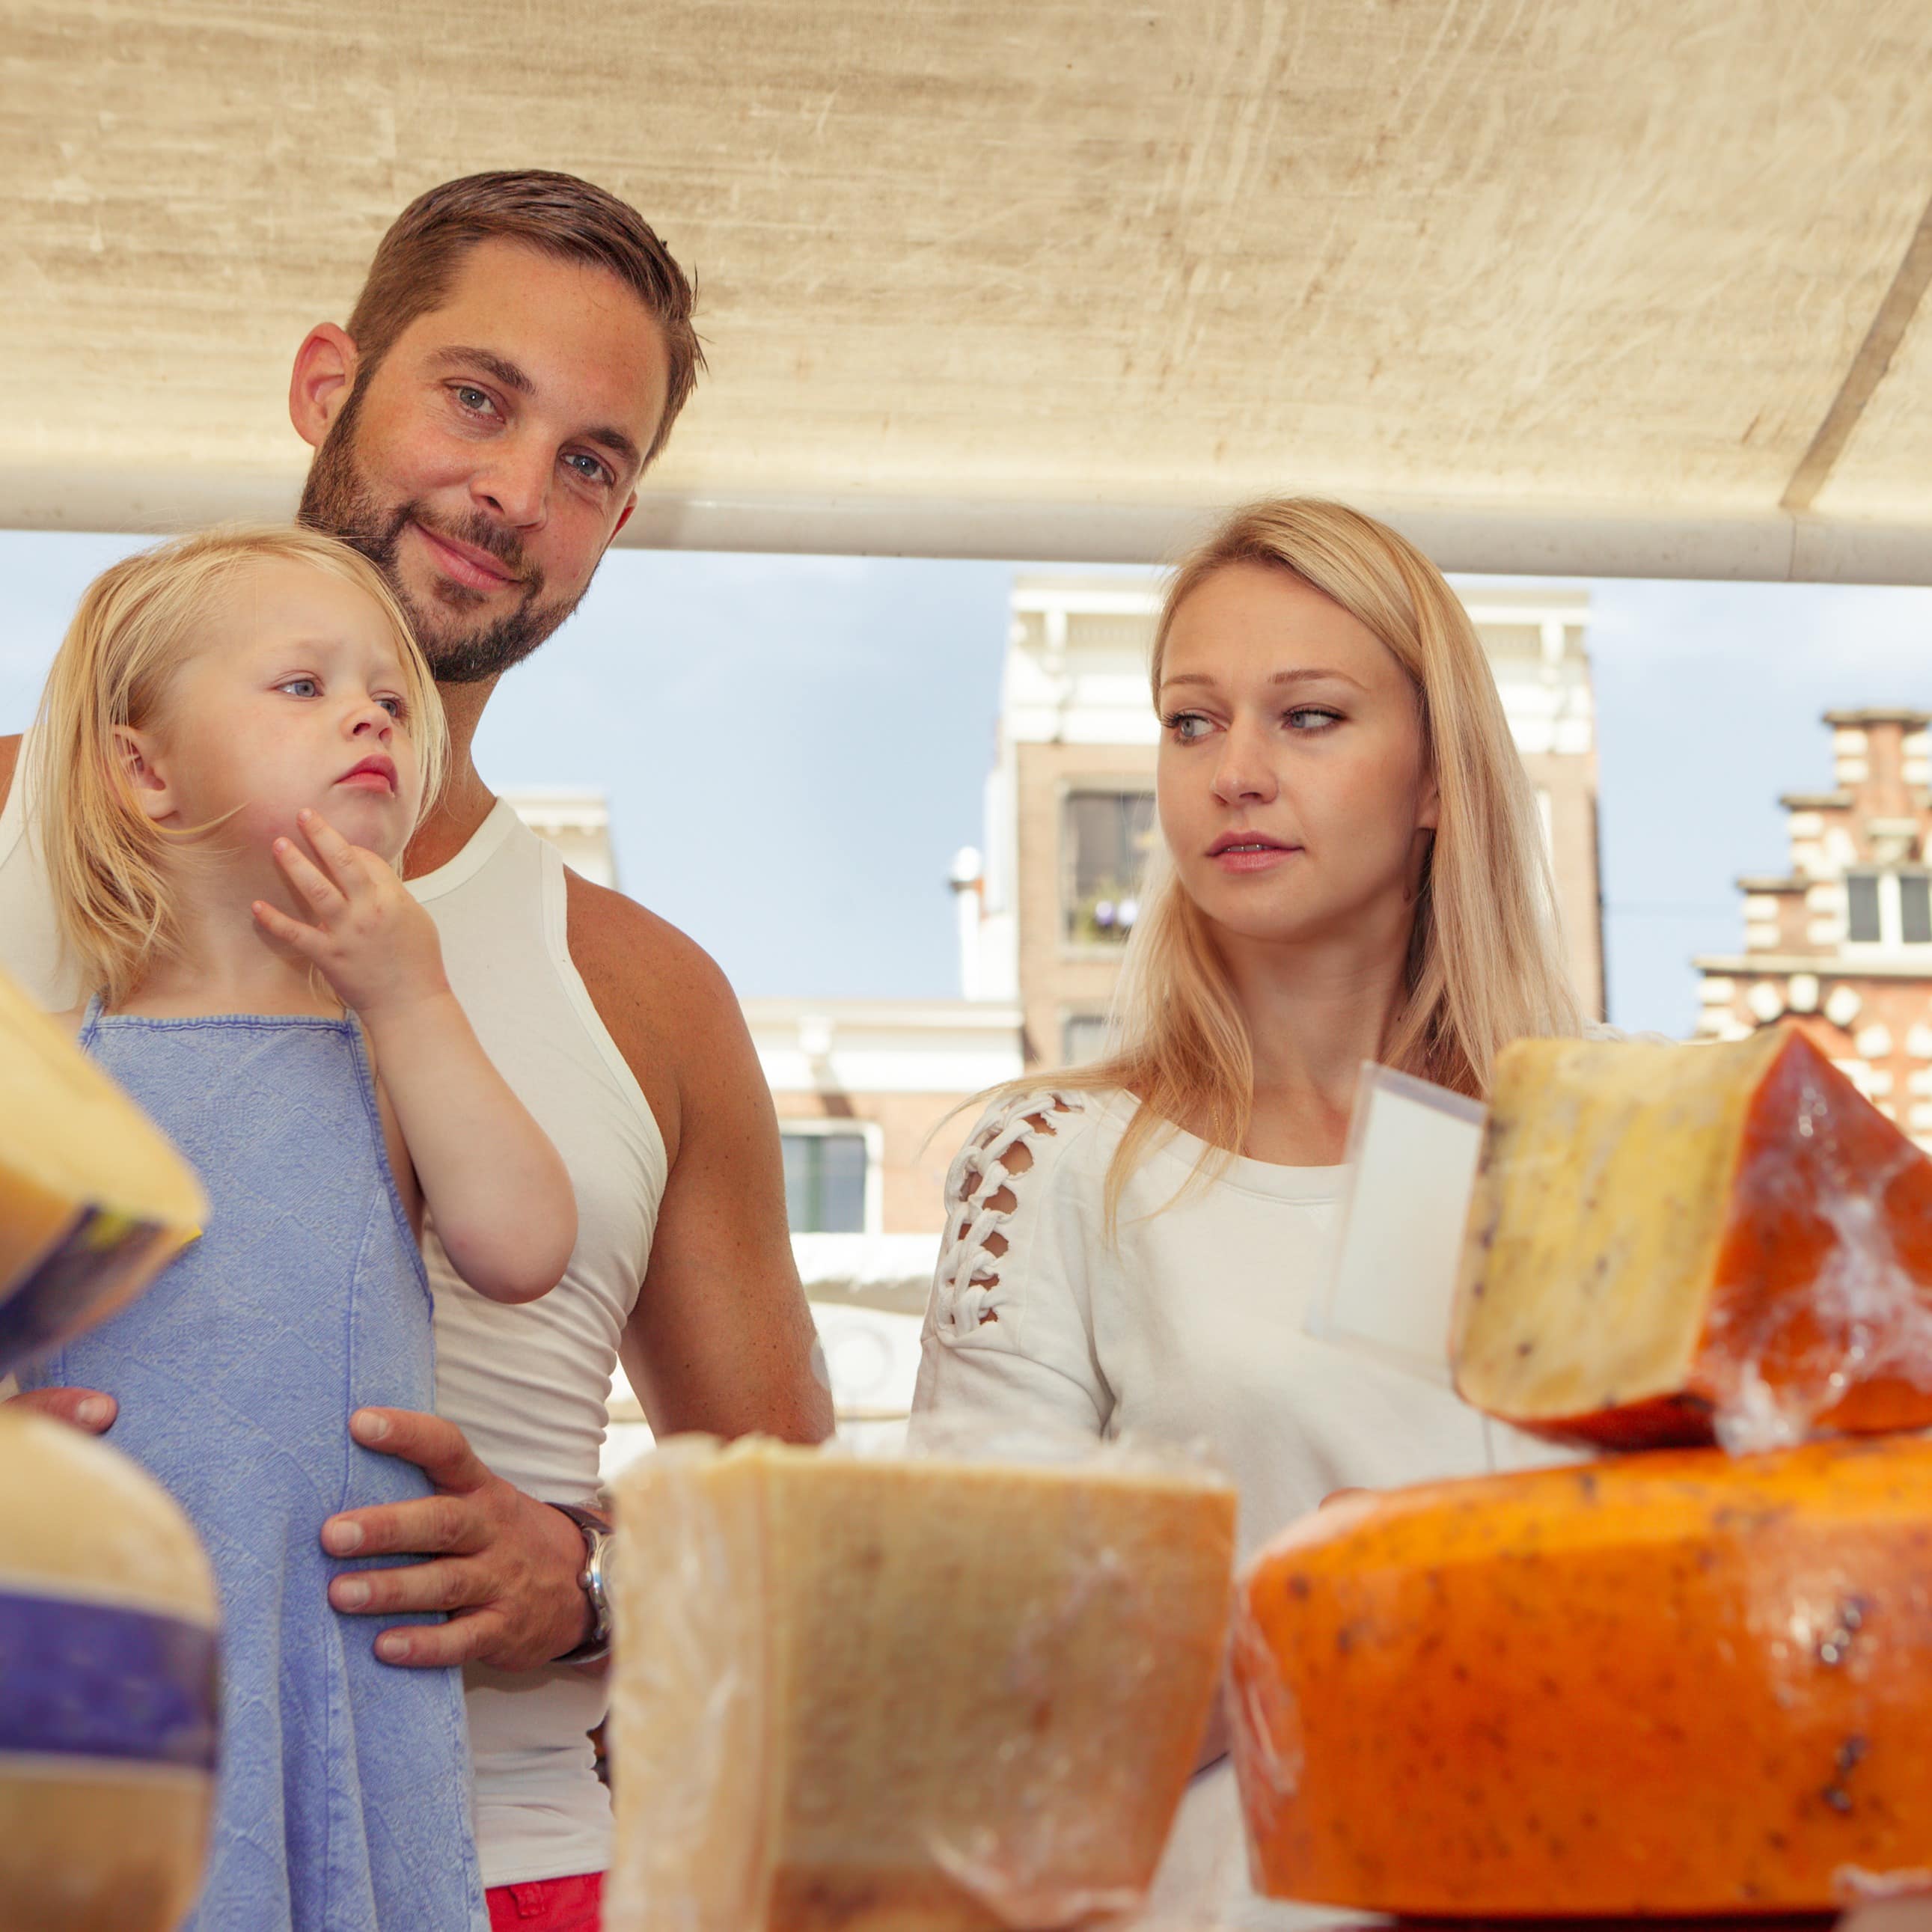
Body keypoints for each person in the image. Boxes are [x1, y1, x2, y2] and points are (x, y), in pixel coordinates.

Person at [0, 171, 834, 1929]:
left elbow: (799, 1532)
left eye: (593, 463)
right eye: (477, 396)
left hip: (507, 1853)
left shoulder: (649, 993)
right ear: (327, 387)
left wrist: (585, 1579)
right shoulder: (7, 818)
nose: (517, 490)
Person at [911, 497, 1583, 1916]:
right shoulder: (1059, 1164)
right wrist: (1310, 1612)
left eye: (1311, 717)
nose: (1236, 774)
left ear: (1435, 780)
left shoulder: (1576, 1169)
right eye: (1191, 721)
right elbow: (978, 1722)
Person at [17, 524, 578, 1930]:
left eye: (385, 695)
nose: (369, 714)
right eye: (301, 686)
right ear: (145, 771)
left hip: (336, 1653)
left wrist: (414, 996)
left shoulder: (393, 1053)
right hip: (100, 1667)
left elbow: (522, 1245)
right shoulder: (44, 1078)